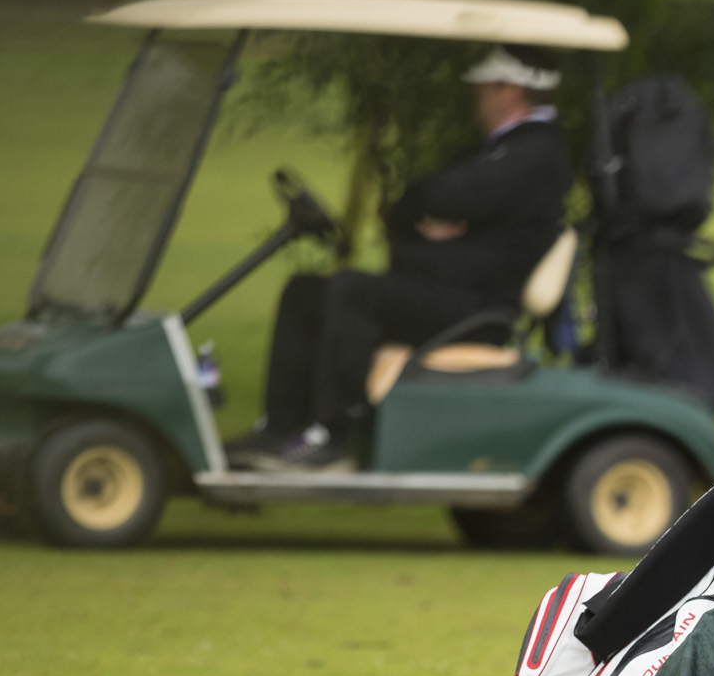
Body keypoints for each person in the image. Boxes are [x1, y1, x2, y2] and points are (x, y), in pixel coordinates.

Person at [231, 45, 572, 470]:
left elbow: (444, 196)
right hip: (446, 293)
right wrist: (438, 213)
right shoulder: (495, 151)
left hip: (479, 310)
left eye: (485, 87)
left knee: (354, 290)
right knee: (305, 291)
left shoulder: (535, 151)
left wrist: (443, 213)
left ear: (511, 90)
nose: (477, 95)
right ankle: (279, 428)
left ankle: (335, 435)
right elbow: (411, 204)